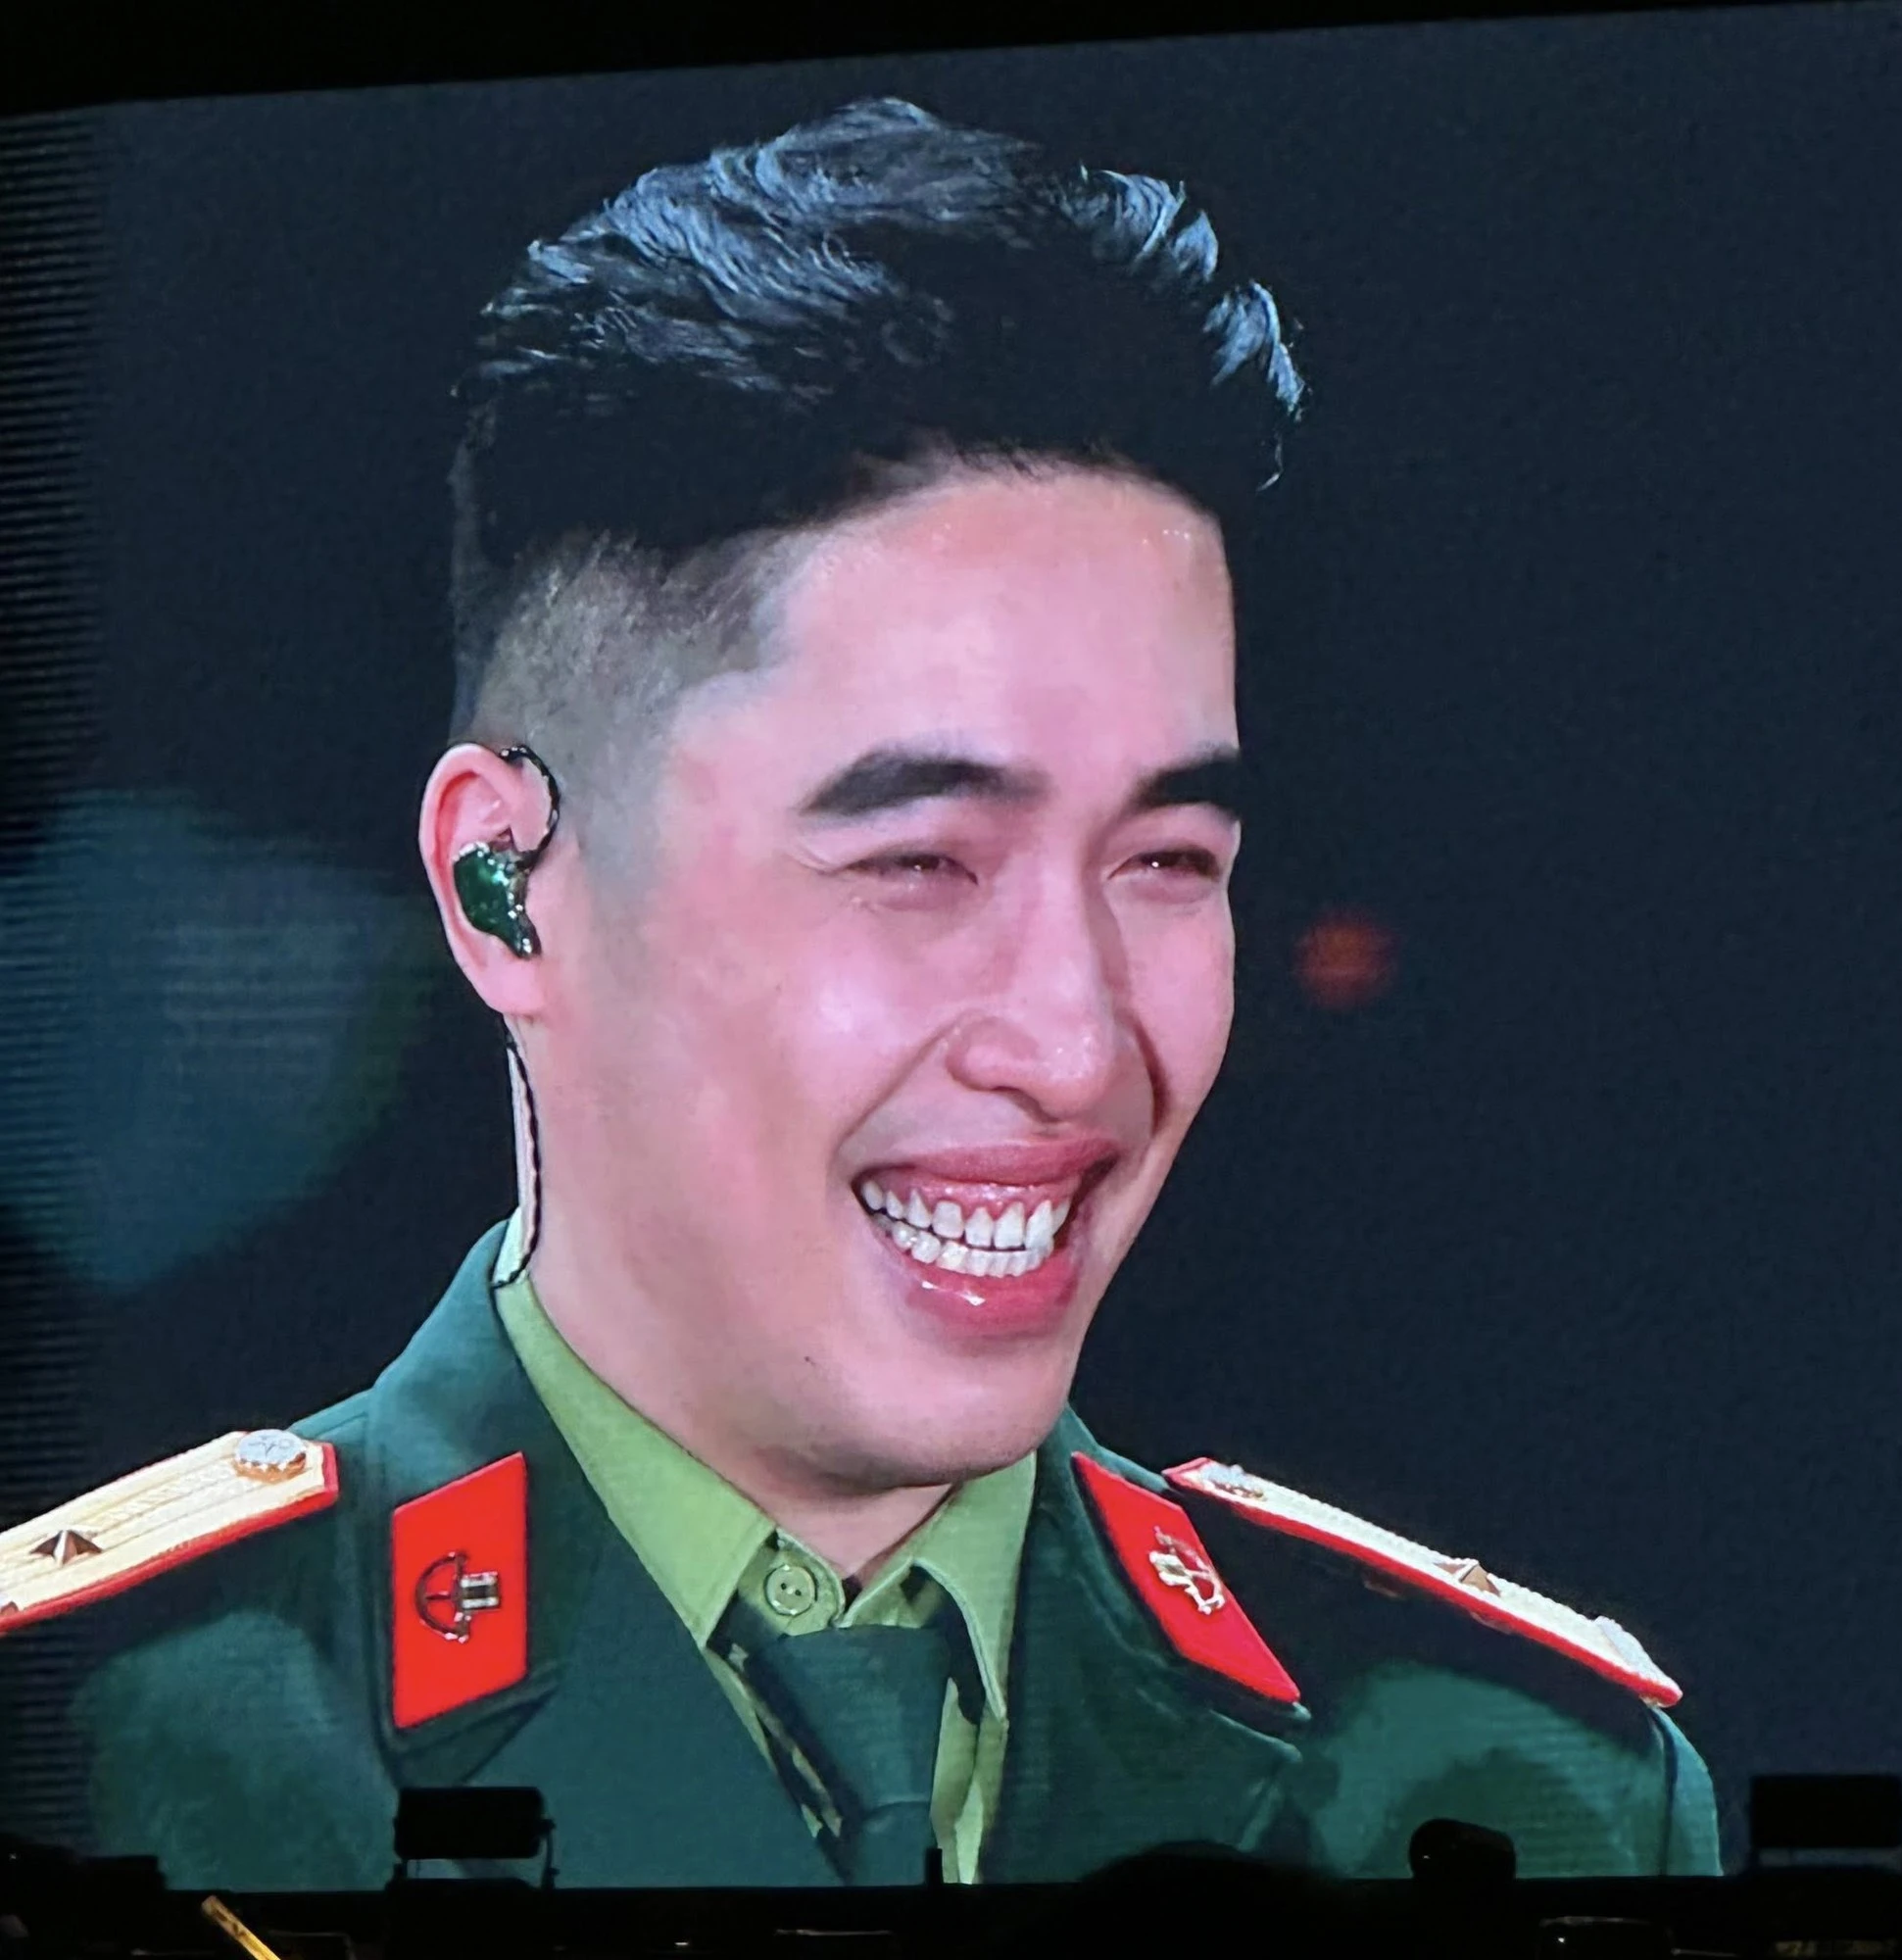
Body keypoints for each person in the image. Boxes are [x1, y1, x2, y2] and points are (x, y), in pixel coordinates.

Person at [0, 98, 1719, 1888]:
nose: (1076, 1048)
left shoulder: (1511, 1790)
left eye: (1165, 861)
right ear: (509, 886)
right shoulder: (96, 1749)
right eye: (920, 864)